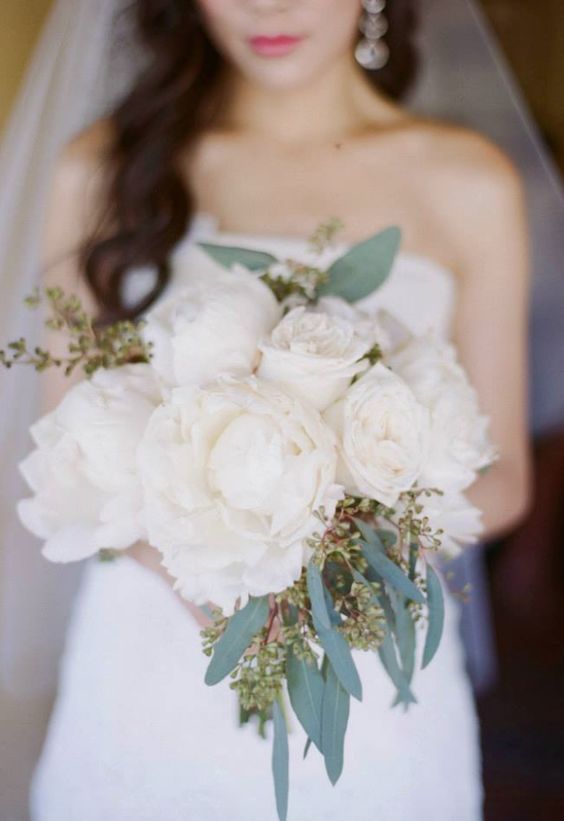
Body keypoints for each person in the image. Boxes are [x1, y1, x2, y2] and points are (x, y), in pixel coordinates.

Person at [29, 1, 532, 819]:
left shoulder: (469, 181)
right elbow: (65, 449)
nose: (269, 5)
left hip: (366, 655)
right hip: (151, 656)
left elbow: (505, 475)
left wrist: (333, 541)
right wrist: (211, 562)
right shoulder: (101, 169)